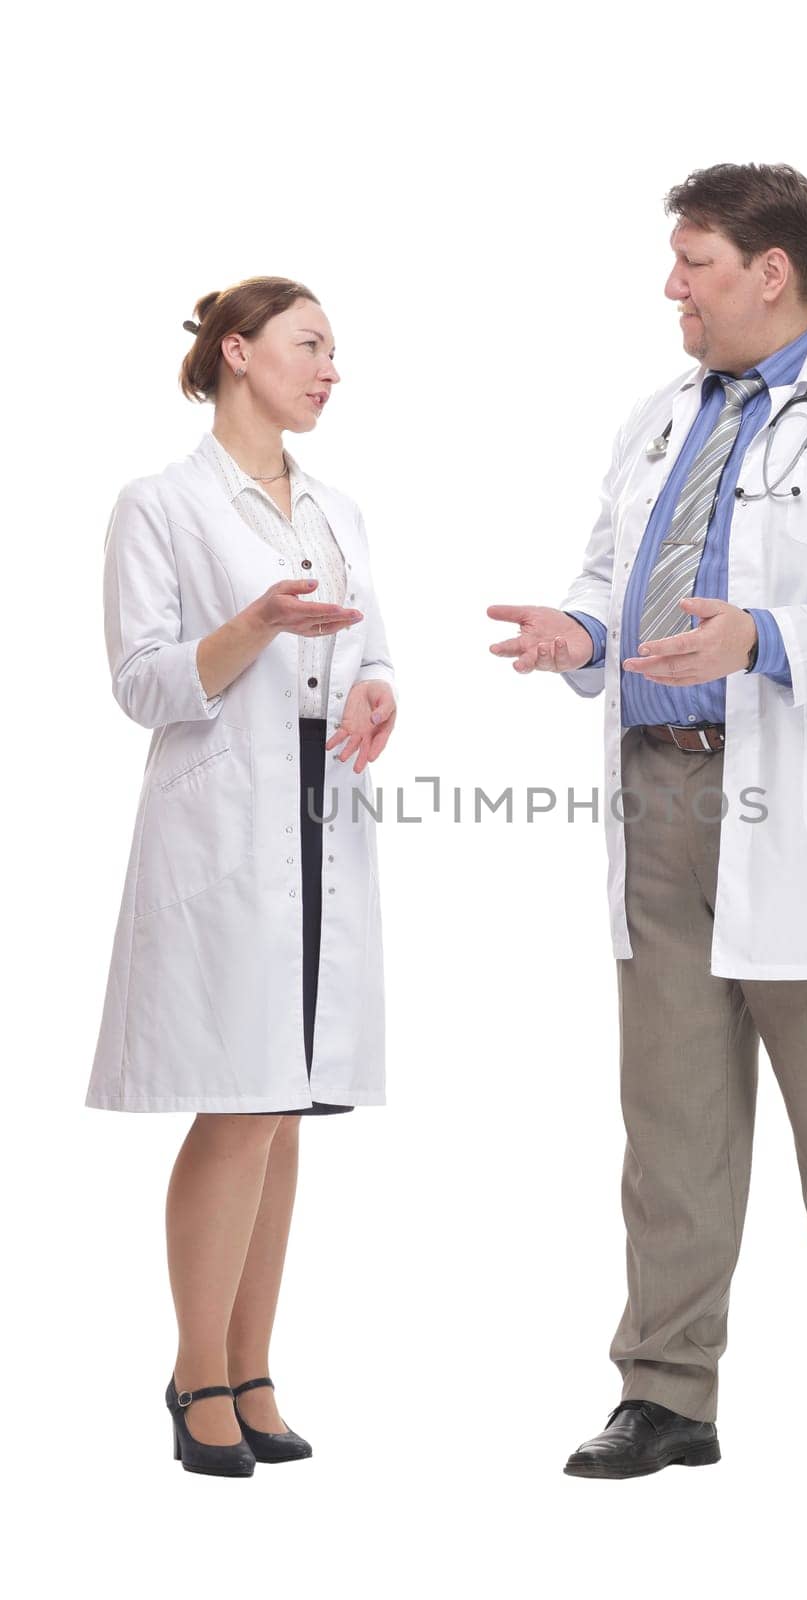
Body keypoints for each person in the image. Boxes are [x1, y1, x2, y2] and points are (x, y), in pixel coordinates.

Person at [487, 163, 807, 1498]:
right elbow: (611, 571)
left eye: (691, 261)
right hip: (657, 793)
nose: (669, 288)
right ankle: (663, 1390)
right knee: (671, 1117)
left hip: (800, 801)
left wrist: (765, 636)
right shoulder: (658, 420)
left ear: (769, 271)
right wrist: (578, 630)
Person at [85, 277, 398, 1477]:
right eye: (309, 345)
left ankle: (255, 1367)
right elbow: (145, 684)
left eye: (333, 350)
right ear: (237, 353)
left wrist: (378, 689)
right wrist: (255, 625)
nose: (329, 368)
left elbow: (373, 643)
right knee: (239, 1102)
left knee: (286, 1111)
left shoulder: (336, 507)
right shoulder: (159, 505)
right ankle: (195, 1372)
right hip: (222, 841)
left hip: (322, 824)